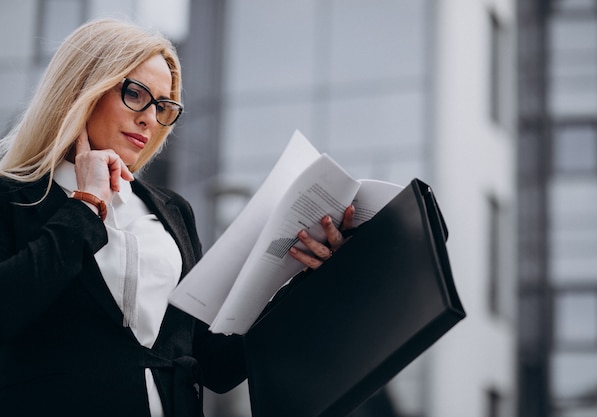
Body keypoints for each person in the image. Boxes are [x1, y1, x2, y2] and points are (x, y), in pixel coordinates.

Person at [0, 19, 354, 417]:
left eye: (163, 106)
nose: (150, 119)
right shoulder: (14, 195)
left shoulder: (171, 212)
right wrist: (85, 206)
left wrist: (302, 279)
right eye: (135, 93)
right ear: (83, 90)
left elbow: (215, 362)